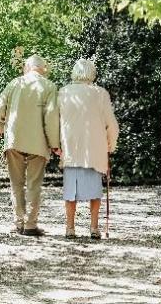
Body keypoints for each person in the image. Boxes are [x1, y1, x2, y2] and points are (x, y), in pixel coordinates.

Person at [0, 54, 60, 236]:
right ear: (43, 69)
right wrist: (55, 143)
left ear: (27, 67)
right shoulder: (50, 86)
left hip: (14, 140)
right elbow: (51, 118)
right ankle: (30, 225)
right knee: (34, 184)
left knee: (16, 184)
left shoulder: (15, 83)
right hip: (38, 142)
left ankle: (18, 223)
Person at [58, 59, 119, 239]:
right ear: (92, 73)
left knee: (70, 190)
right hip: (95, 148)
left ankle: (70, 228)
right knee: (95, 191)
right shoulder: (100, 93)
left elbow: (55, 120)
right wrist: (111, 145)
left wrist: (55, 144)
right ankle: (94, 228)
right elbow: (111, 124)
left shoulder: (64, 92)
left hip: (71, 147)